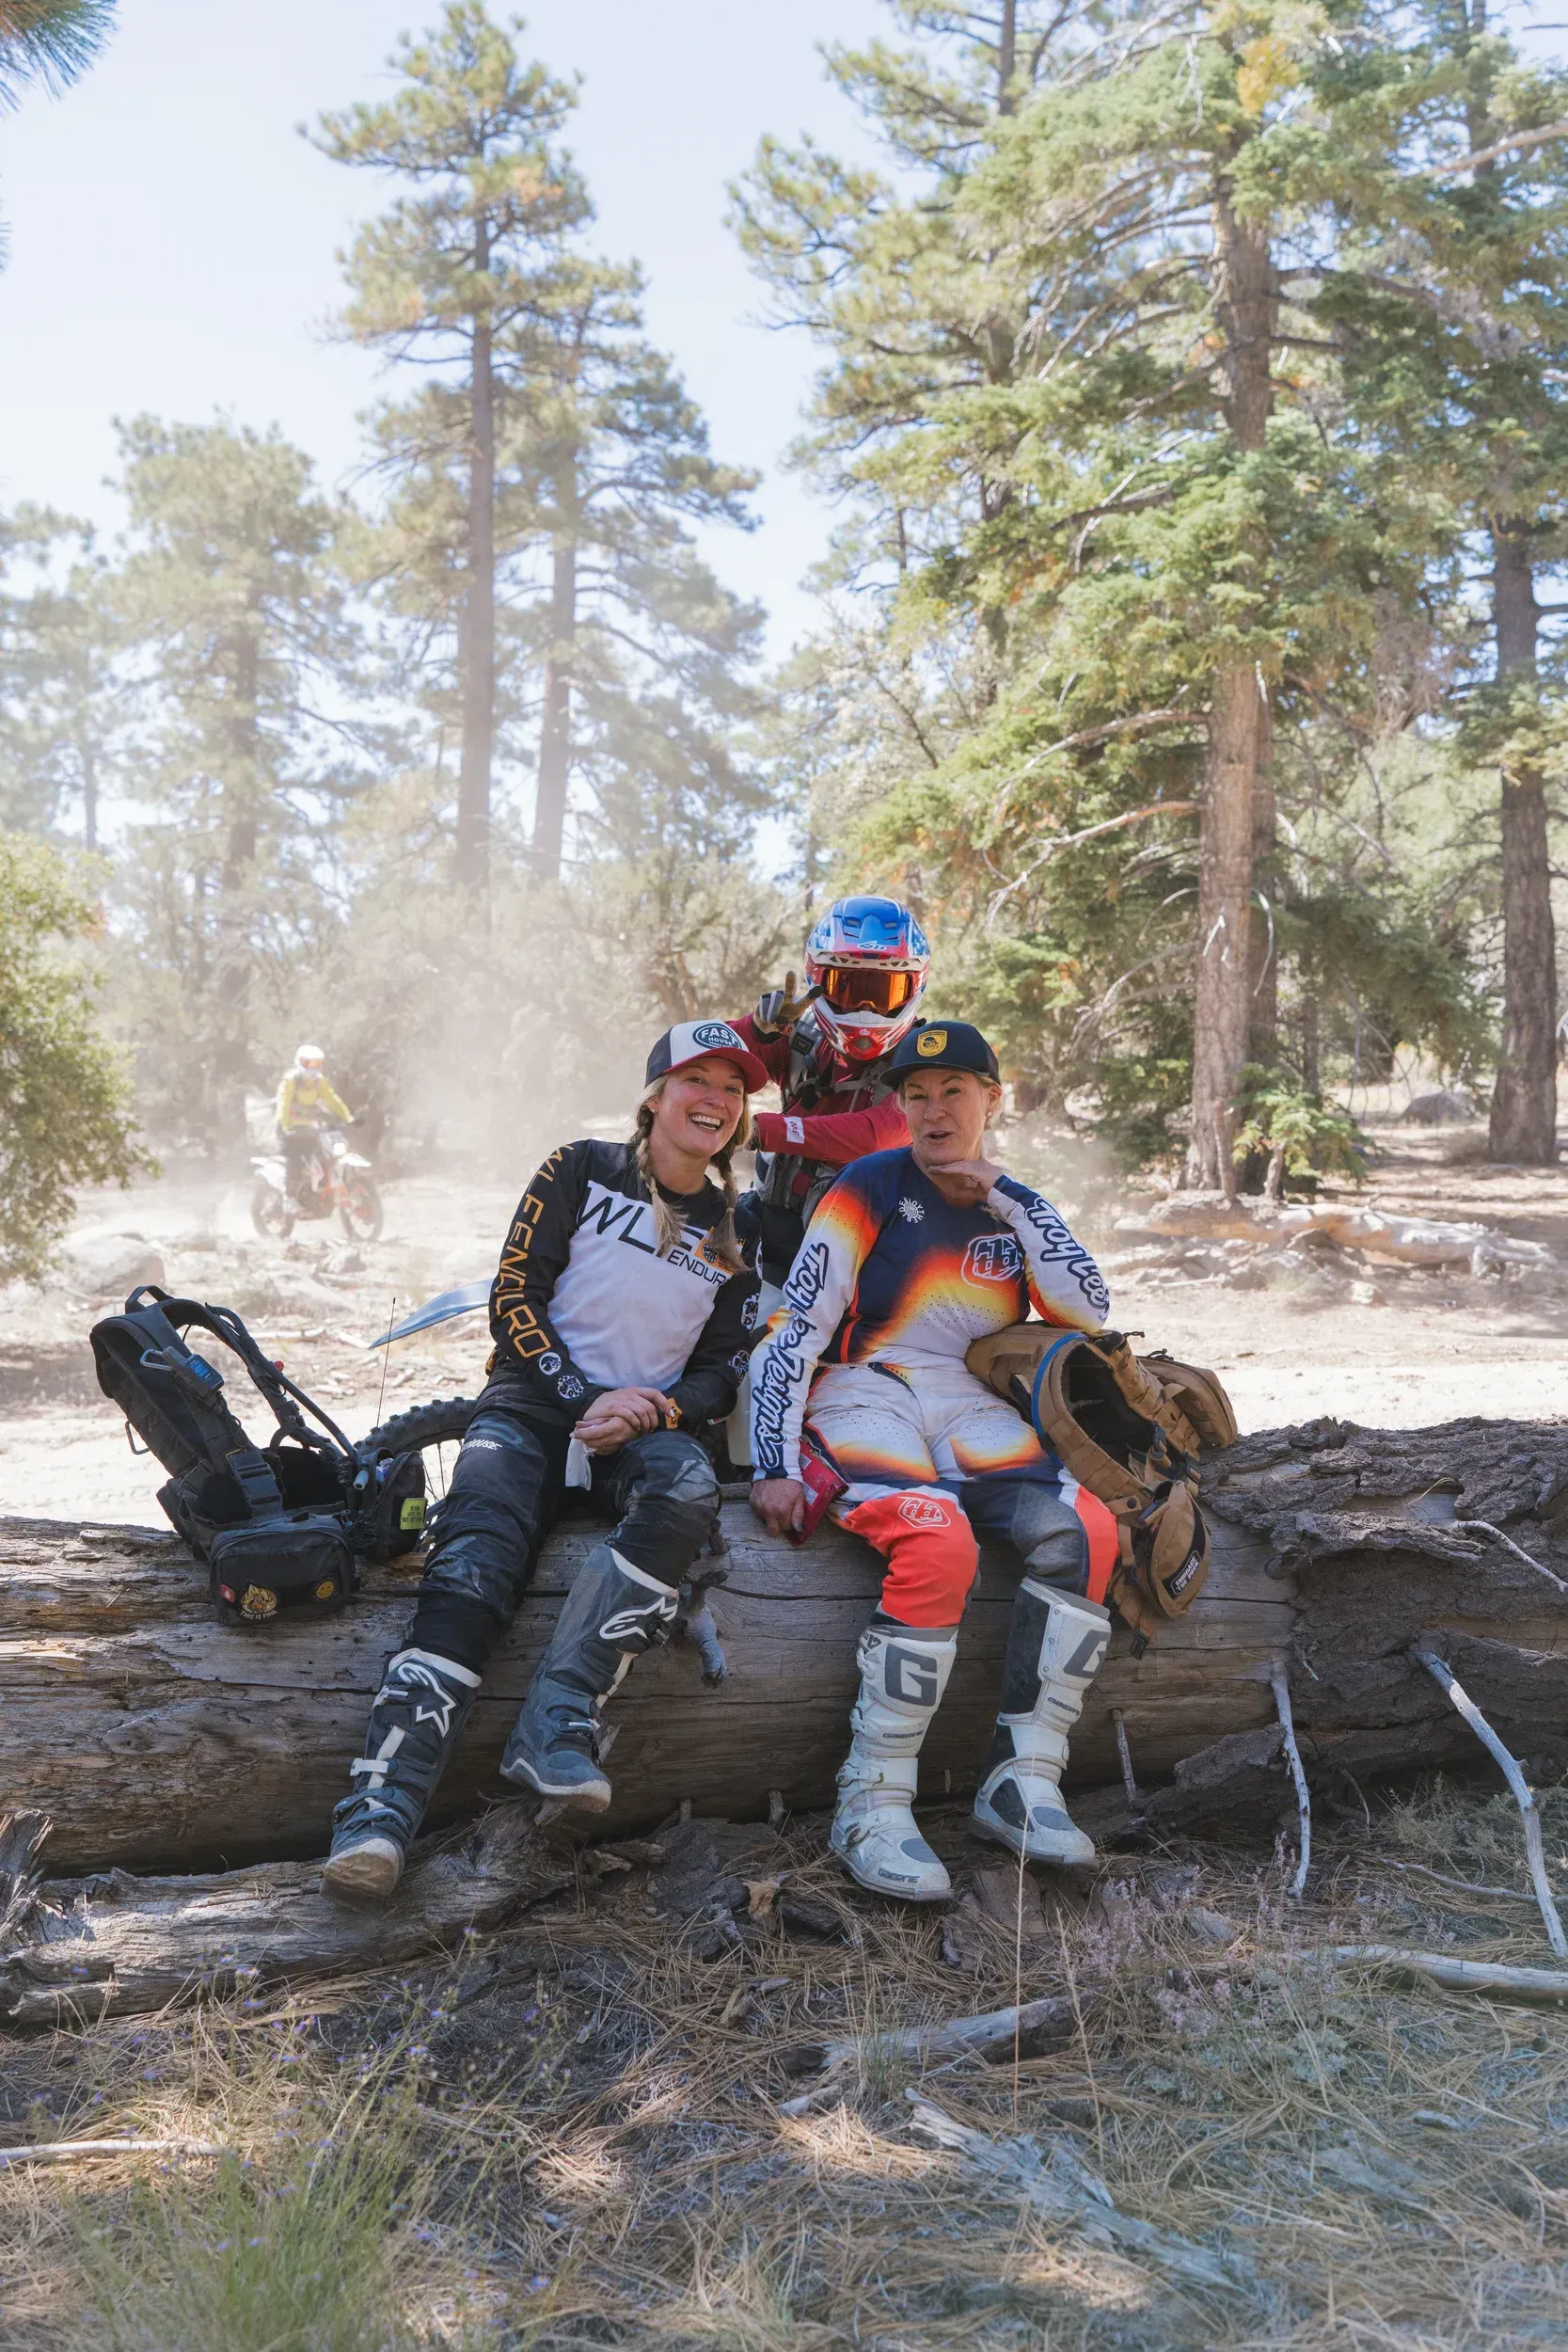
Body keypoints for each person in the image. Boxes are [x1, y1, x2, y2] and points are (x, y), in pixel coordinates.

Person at [323, 1019, 766, 1903]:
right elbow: (514, 1295)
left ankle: (555, 1721)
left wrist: (662, 1407)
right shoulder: (579, 1168)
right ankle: (378, 1811)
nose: (714, 1099)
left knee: (685, 1489)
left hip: (639, 1430)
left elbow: (724, 1366)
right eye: (696, 1080)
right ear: (654, 1097)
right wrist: (582, 1399)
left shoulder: (737, 1231)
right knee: (474, 1561)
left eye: (732, 1087)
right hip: (531, 1408)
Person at [748, 1020, 1113, 1903]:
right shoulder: (864, 1184)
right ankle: (870, 1800)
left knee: (1087, 1529)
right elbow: (797, 1323)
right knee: (935, 1537)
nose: (933, 1110)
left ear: (993, 1099)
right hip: (862, 1387)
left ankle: (1020, 1781)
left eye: (954, 1091)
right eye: (914, 1095)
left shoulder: (1014, 1198)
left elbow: (1089, 1308)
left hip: (967, 1400)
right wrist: (770, 1458)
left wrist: (1012, 1203)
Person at [724, 894, 929, 1467]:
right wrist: (758, 1025)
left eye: (881, 990)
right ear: (817, 980)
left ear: (913, 988)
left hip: (874, 1257)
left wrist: (764, 1130)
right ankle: (734, 1465)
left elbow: (875, 1133)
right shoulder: (804, 1035)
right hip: (780, 1234)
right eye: (847, 985)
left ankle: (783, 1475)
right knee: (733, 1351)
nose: (864, 1008)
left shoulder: (924, 1056)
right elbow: (708, 1061)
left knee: (803, 1368)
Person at [276, 1042, 354, 1204]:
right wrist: (286, 1126)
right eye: (309, 1063)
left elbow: (333, 1099)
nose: (313, 1067)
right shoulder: (291, 1080)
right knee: (295, 1161)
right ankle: (289, 1199)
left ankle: (316, 1193)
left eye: (317, 1064)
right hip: (289, 1128)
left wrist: (348, 1118)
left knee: (324, 1156)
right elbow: (283, 1103)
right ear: (300, 1062)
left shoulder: (319, 1081)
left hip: (310, 1128)